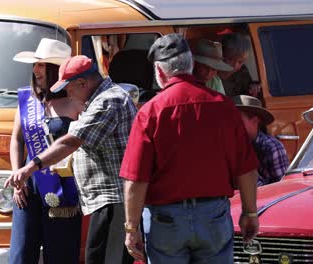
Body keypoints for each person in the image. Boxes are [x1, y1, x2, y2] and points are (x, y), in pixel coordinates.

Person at [120, 33, 260, 263]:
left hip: (166, 220)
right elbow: (246, 168)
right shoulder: (223, 106)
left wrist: (131, 227)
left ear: (159, 71)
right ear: (191, 64)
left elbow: (136, 178)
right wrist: (250, 212)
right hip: (213, 215)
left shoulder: (150, 111)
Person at [5, 55, 137, 264]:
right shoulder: (98, 100)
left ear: (82, 83)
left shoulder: (108, 101)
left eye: (69, 87)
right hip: (105, 200)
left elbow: (71, 142)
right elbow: (19, 139)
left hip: (112, 199)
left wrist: (31, 166)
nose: (67, 92)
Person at [7, 38, 83, 264]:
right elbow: (16, 139)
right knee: (21, 252)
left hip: (64, 186)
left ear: (55, 69)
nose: (35, 70)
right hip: (28, 184)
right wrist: (16, 175)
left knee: (61, 252)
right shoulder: (26, 100)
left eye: (41, 65)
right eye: (35, 65)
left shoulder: (75, 102)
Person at [234, 95, 289, 186]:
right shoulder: (232, 146)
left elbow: (283, 186)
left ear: (255, 121)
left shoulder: (272, 146)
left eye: (238, 121)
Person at [218, 33, 262, 99]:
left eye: (240, 62)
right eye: (230, 59)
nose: (235, 66)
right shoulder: (212, 71)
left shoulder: (242, 71)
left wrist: (254, 88)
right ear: (221, 54)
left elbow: (248, 92)